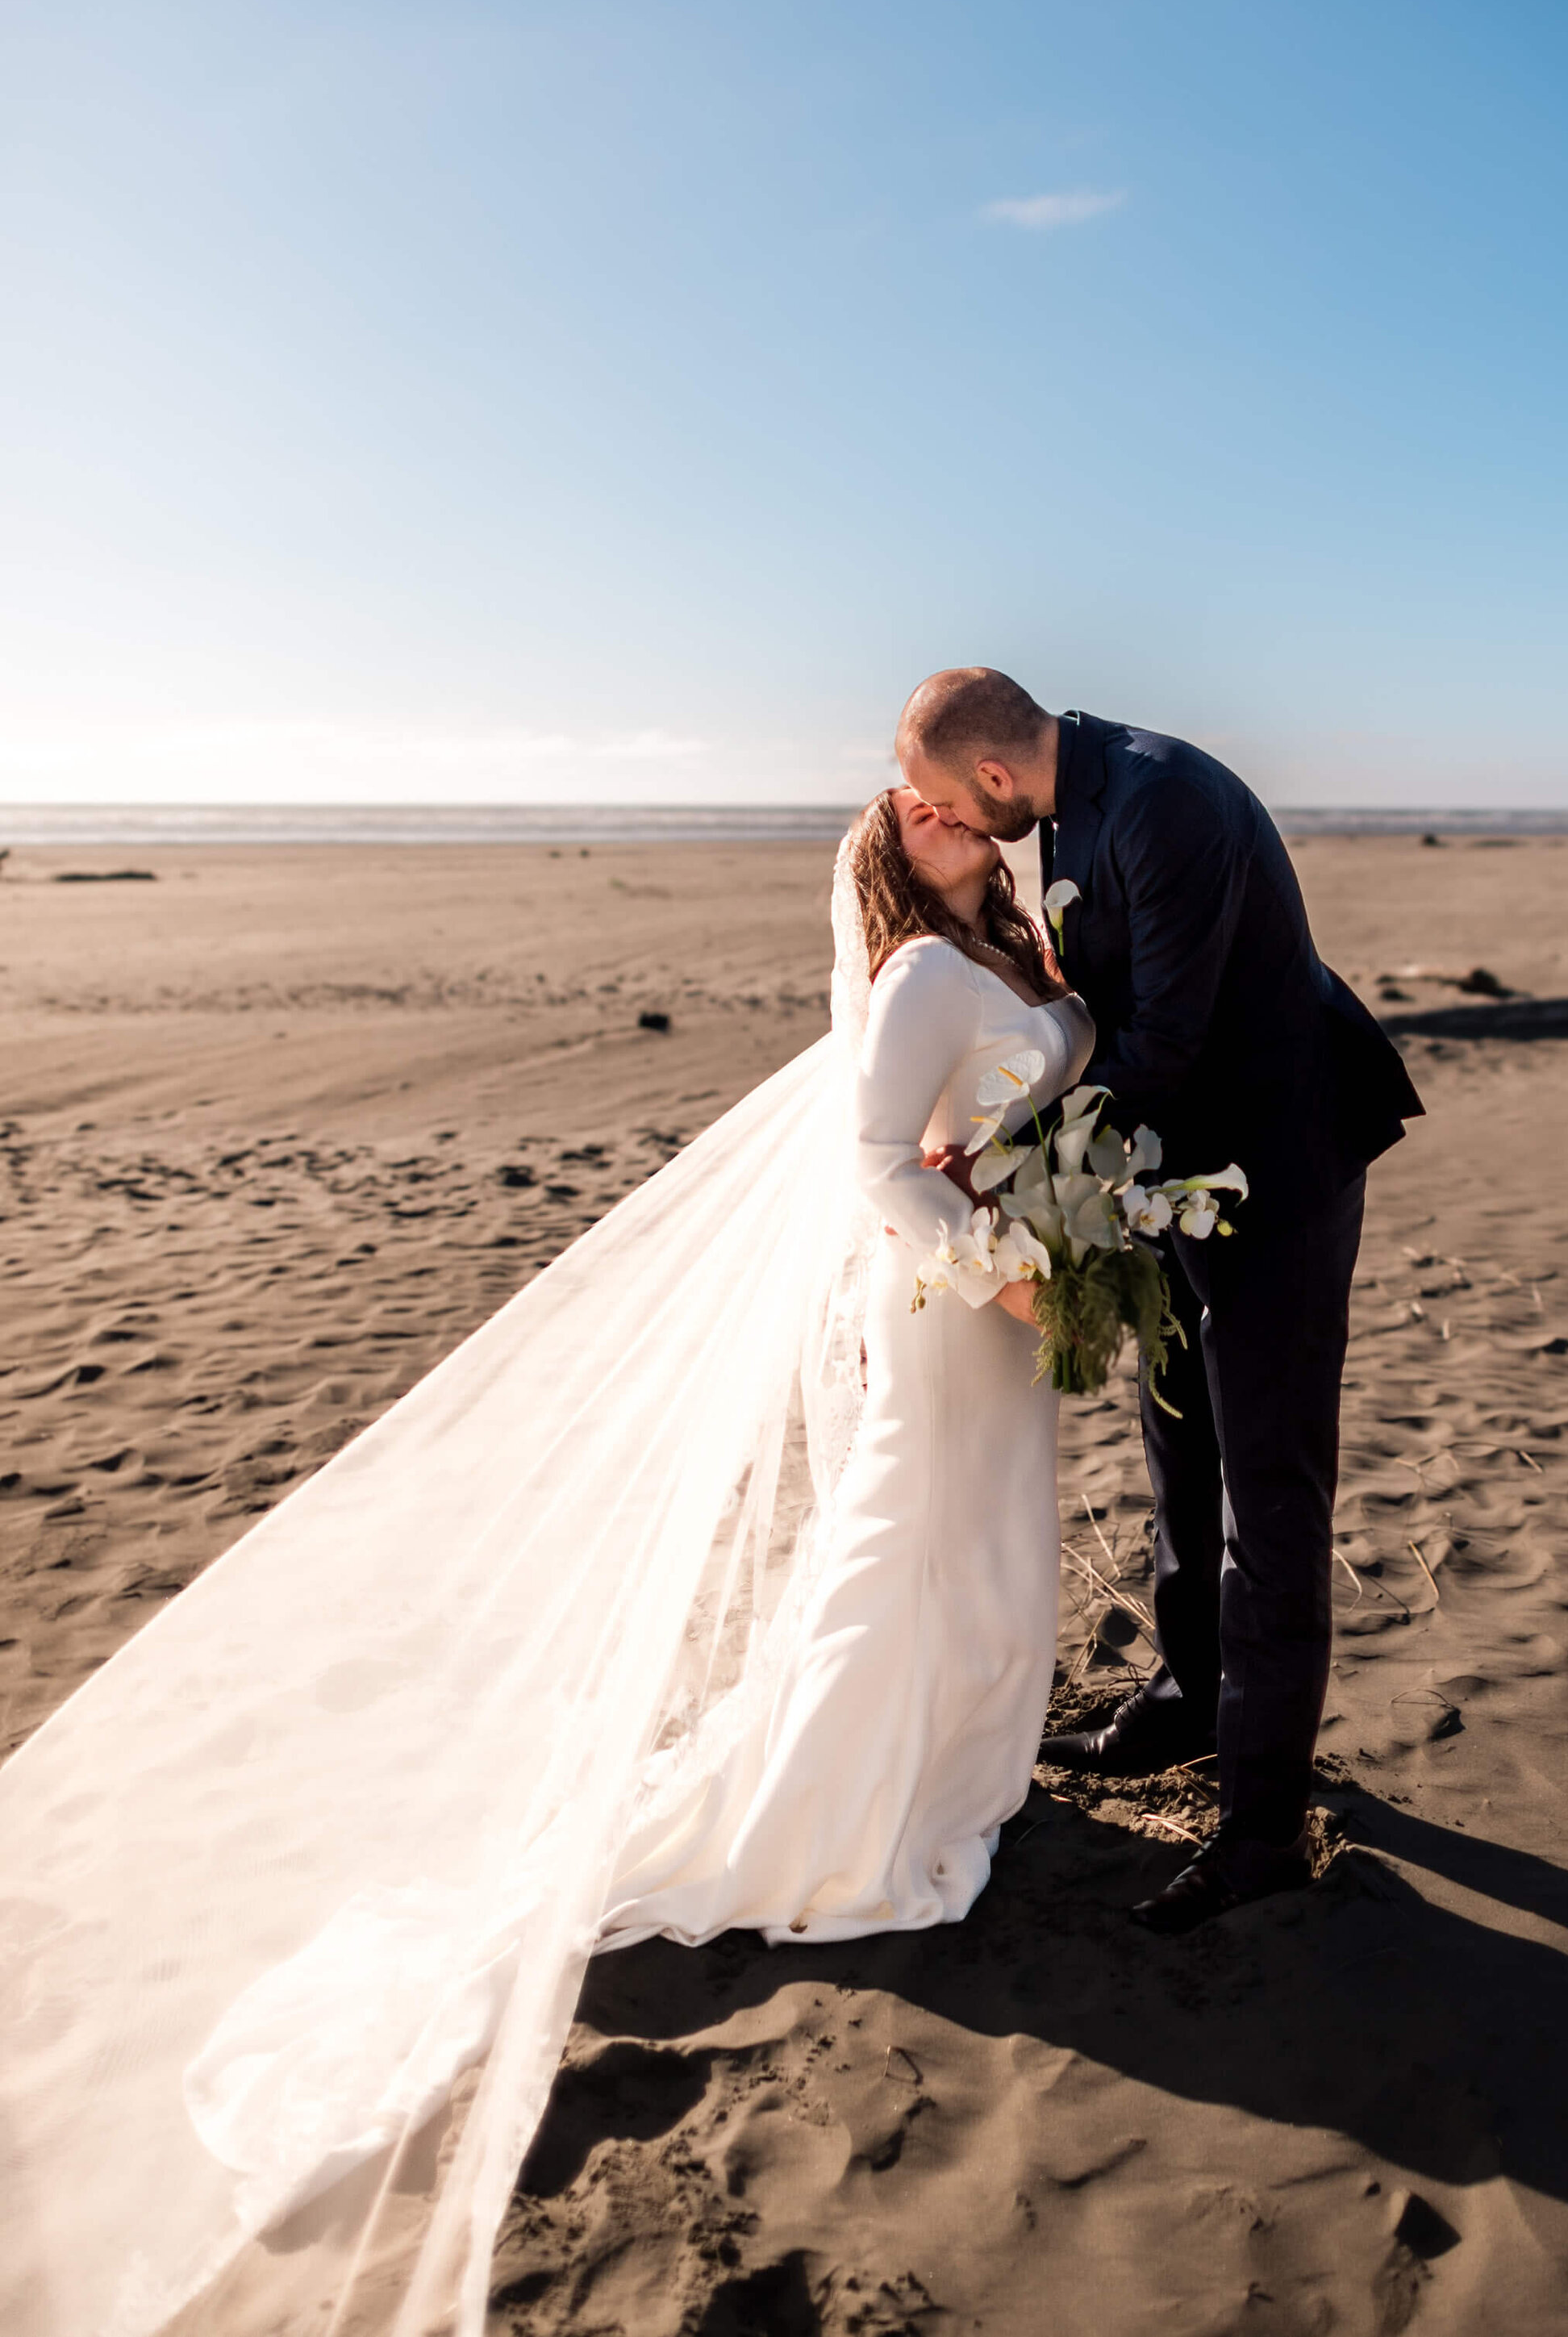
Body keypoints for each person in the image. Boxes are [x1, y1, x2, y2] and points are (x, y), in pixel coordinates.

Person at [0, 793, 1091, 2337]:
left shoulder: (1013, 942)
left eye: (961, 805)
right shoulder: (919, 975)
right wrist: (1006, 1276)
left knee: (985, 1530)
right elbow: (878, 1164)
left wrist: (1062, 1223)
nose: (958, 822)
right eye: (920, 813)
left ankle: (954, 1757)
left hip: (1014, 1275)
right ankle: (844, 1799)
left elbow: (1007, 1111)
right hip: (953, 1297)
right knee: (903, 1529)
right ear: (887, 849)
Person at [898, 669, 1424, 1934]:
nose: (964, 831)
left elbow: (1164, 1043)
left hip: (1277, 1166)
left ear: (992, 777)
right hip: (1175, 1174)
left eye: (950, 807)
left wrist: (1004, 1153)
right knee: (1177, 1436)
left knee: (1272, 1490)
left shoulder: (1165, 804)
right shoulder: (1071, 804)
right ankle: (1188, 1701)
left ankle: (1259, 1829)